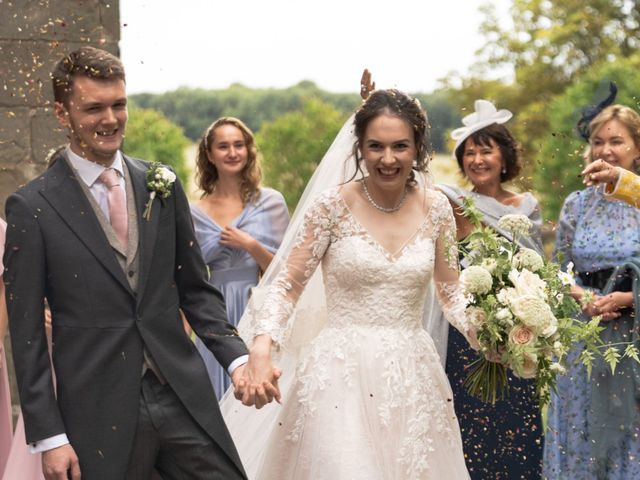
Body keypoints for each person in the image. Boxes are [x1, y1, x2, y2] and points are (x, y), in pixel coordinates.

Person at [4, 46, 278, 480]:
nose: (110, 119)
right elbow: (27, 334)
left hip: (181, 392)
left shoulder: (161, 184)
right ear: (62, 113)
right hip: (96, 409)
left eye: (119, 104)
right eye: (93, 108)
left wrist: (238, 360)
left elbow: (195, 290)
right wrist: (50, 437)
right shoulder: (32, 207)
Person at [221, 88, 479, 479]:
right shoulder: (331, 207)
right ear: (359, 147)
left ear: (418, 148)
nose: (388, 159)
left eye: (400, 146)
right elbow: (287, 287)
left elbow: (450, 292)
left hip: (412, 378)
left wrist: (488, 331)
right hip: (339, 379)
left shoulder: (438, 207)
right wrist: (261, 347)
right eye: (376, 146)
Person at [425, 99, 544, 479]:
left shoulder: (527, 207)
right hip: (468, 337)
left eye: (486, 150)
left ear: (504, 157)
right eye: (470, 152)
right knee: (470, 429)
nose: (477, 159)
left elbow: (537, 266)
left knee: (518, 427)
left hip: (516, 333)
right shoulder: (451, 201)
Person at [543, 103, 640, 479]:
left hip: (632, 338)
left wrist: (630, 298)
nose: (606, 150)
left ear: (637, 147)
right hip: (585, 342)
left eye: (617, 141)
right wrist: (582, 297)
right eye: (598, 141)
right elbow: (558, 272)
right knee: (581, 440)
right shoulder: (577, 204)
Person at [191, 117, 289, 399]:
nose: (232, 153)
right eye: (223, 146)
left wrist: (250, 245)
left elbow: (286, 274)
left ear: (248, 150)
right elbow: (188, 277)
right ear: (209, 154)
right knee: (216, 394)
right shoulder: (194, 212)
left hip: (257, 309)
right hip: (214, 313)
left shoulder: (271, 203)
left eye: (239, 145)